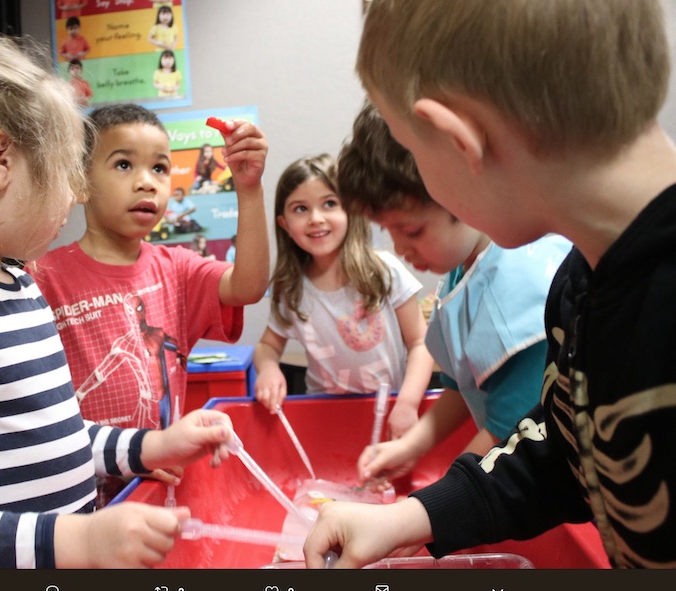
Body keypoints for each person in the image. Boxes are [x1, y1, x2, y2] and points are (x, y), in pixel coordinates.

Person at [304, 0, 676, 570]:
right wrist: (410, 518)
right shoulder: (578, 282)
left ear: (460, 140)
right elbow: (567, 447)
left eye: (412, 149)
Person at [0, 2, 236, 569]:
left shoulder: (19, 285)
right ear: (1, 159)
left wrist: (150, 447)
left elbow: (61, 434)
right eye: (68, 171)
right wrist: (76, 542)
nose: (72, 195)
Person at [28, 103, 269, 507]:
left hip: (157, 493)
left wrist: (249, 189)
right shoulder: (43, 278)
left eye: (159, 168)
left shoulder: (176, 269)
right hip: (79, 502)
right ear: (81, 182)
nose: (147, 183)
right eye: (123, 165)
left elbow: (248, 286)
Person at [336, 101, 570, 490]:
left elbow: (506, 434)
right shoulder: (464, 269)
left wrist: (432, 506)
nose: (400, 249)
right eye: (389, 231)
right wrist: (410, 446)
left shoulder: (514, 292)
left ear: (460, 189)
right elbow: (470, 386)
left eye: (411, 231)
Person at [253, 154, 435, 438]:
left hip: (390, 411)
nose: (316, 218)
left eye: (329, 203)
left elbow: (420, 342)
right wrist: (268, 369)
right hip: (325, 420)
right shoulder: (291, 289)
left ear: (351, 210)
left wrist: (408, 403)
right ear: (284, 224)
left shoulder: (385, 271)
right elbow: (267, 345)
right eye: (300, 208)